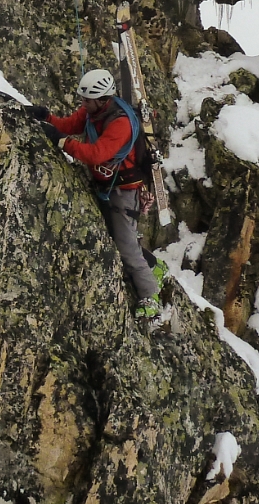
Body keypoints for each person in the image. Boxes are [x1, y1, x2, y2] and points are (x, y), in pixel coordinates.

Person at [25, 68, 167, 318]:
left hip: (124, 191)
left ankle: (150, 295)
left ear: (102, 99)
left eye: (86, 100)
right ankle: (155, 266)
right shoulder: (94, 112)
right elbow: (69, 125)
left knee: (125, 248)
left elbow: (96, 154)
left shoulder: (120, 123)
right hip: (106, 184)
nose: (83, 104)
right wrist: (47, 117)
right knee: (117, 236)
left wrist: (61, 142)